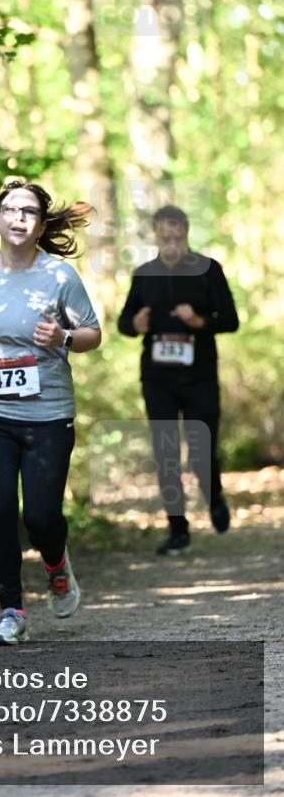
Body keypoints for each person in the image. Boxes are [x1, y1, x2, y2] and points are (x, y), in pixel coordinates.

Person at [0, 179, 101, 644]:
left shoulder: (59, 276)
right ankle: (11, 610)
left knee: (41, 516)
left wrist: (64, 338)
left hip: (49, 414)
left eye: (29, 212)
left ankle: (55, 562)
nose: (18, 218)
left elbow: (92, 333)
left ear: (39, 224)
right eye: (10, 210)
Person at [117, 205, 239, 555]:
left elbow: (231, 320)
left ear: (186, 234)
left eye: (178, 237)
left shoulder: (208, 270)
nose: (172, 243)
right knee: (166, 451)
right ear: (155, 236)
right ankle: (178, 528)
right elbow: (125, 323)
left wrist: (200, 321)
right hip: (158, 378)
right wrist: (134, 324)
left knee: (202, 448)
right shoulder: (144, 274)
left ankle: (214, 496)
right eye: (164, 237)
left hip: (200, 374)